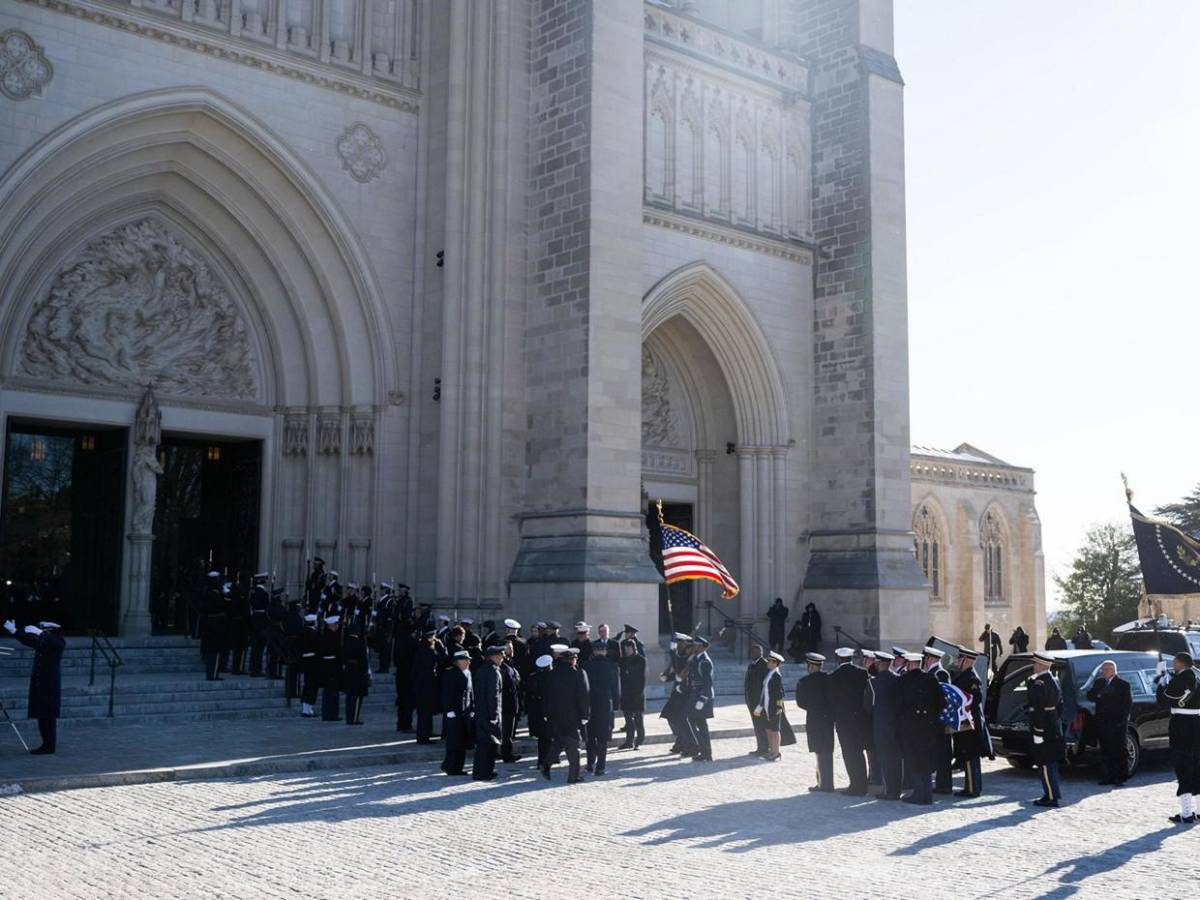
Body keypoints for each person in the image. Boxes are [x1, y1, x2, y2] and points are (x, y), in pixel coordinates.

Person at [3, 618, 65, 754]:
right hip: (40, 684)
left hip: (50, 685)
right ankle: (46, 745)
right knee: (42, 715)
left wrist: (40, 633)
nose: (41, 632)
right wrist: (14, 631)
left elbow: (57, 645)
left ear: (50, 631)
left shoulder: (58, 641)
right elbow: (29, 641)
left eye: (44, 630)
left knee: (48, 717)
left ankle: (49, 746)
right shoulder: (45, 642)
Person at [1155, 651, 1200, 823]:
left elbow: (1164, 700)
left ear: (1181, 663)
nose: (1173, 665)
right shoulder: (1197, 674)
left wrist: (1160, 679)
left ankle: (1187, 813)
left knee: (1183, 766)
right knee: (1197, 765)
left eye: (1174, 662)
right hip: (1197, 722)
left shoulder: (1181, 679)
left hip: (1182, 724)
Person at [896, 651, 942, 805]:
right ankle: (927, 794)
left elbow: (898, 705)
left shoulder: (904, 680)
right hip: (928, 726)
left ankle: (918, 793)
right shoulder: (931, 679)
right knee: (926, 759)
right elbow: (942, 703)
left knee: (914, 759)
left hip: (910, 727)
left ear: (909, 664)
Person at [541, 646, 590, 783]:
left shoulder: (553, 673)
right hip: (572, 716)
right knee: (574, 746)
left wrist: (547, 714)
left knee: (560, 742)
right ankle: (573, 776)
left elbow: (547, 696)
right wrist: (585, 715)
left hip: (555, 716)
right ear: (572, 660)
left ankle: (545, 764)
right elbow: (583, 696)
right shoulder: (579, 673)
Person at [1026, 651, 1065, 807]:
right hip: (1053, 725)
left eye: (1036, 663)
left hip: (1043, 727)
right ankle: (1052, 793)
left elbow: (1038, 709)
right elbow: (1059, 706)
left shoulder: (1039, 683)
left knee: (1045, 764)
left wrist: (1038, 730)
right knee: (1050, 763)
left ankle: (1050, 796)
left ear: (1042, 665)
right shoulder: (1054, 679)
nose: (1034, 666)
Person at [829, 647, 870, 795]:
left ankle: (855, 786)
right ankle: (863, 784)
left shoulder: (833, 676)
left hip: (844, 721)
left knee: (849, 753)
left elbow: (831, 701)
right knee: (859, 752)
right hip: (860, 719)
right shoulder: (862, 673)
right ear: (851, 658)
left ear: (839, 659)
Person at [1087, 658, 1132, 786]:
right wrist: (1099, 694)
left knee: (1119, 749)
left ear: (1113, 670)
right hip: (1103, 721)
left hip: (1117, 722)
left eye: (1106, 669)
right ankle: (1108, 776)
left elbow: (1127, 704)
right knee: (1106, 750)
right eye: (1103, 669)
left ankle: (1121, 776)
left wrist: (1122, 721)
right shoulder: (1099, 683)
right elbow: (1090, 695)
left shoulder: (1123, 684)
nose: (1104, 671)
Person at [864, 649, 902, 800]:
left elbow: (869, 706)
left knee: (885, 758)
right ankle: (897, 789)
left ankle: (889, 791)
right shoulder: (899, 679)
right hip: (897, 724)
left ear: (879, 664)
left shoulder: (873, 682)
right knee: (897, 758)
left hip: (881, 724)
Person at [952, 647, 990, 797]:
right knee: (967, 755)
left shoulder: (971, 678)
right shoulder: (964, 676)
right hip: (966, 723)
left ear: (966, 660)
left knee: (970, 755)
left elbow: (975, 700)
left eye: (959, 658)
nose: (956, 661)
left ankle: (973, 789)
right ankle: (971, 787)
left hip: (970, 723)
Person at [795, 652, 835, 791]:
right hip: (828, 719)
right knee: (828, 750)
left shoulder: (804, 682)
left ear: (811, 666)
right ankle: (827, 782)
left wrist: (813, 708)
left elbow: (800, 703)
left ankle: (823, 784)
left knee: (819, 750)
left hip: (814, 718)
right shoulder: (830, 679)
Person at [583, 638, 621, 775]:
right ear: (604, 651)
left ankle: (589, 764)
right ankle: (601, 767)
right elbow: (616, 688)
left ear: (594, 651)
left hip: (590, 704)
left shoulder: (587, 665)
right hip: (605, 704)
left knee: (591, 736)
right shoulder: (612, 666)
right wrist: (616, 705)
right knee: (603, 738)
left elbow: (583, 688)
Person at [472, 644, 505, 781]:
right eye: (501, 655)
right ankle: (485, 772)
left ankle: (481, 771)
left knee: (483, 745)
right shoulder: (493, 671)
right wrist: (494, 715)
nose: (502, 658)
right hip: (489, 714)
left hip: (481, 712)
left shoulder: (482, 670)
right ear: (494, 657)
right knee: (489, 745)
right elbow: (493, 696)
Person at [756, 651, 794, 761]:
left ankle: (776, 752)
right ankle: (771, 750)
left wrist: (778, 707)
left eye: (770, 661)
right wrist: (761, 705)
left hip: (774, 707)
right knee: (768, 729)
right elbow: (765, 691)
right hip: (767, 706)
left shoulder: (776, 675)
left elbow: (780, 693)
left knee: (775, 730)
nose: (768, 662)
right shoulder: (770, 673)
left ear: (775, 663)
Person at [440, 650, 473, 776]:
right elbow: (447, 693)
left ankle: (457, 766)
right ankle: (450, 766)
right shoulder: (450, 673)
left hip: (465, 712)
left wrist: (472, 709)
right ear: (458, 661)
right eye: (466, 659)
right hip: (454, 713)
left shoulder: (468, 673)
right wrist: (449, 710)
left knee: (462, 741)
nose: (468, 662)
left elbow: (470, 693)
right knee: (454, 741)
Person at [660, 634, 694, 756]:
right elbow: (676, 670)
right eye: (677, 643)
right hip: (676, 692)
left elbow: (683, 674)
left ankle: (686, 743)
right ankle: (680, 740)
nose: (678, 646)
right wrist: (667, 677)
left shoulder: (689, 658)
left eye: (680, 643)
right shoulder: (680, 657)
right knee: (670, 716)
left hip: (685, 693)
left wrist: (673, 650)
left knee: (679, 719)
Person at [684, 635, 715, 762]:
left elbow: (708, 683)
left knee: (701, 725)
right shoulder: (696, 659)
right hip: (695, 695)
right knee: (694, 722)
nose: (694, 647)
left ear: (702, 647)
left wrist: (702, 699)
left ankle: (706, 753)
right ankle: (704, 751)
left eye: (696, 645)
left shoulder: (704, 661)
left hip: (702, 697)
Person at [412, 627, 444, 743]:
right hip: (426, 685)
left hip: (421, 684)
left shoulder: (421, 649)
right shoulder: (429, 651)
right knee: (425, 712)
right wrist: (440, 646)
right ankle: (423, 736)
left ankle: (425, 733)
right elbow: (442, 658)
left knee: (425, 712)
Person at [341, 615, 371, 725]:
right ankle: (354, 718)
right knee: (357, 698)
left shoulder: (346, 641)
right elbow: (363, 659)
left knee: (350, 698)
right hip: (358, 673)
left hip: (349, 671)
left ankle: (350, 717)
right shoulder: (359, 643)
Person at [617, 639, 646, 750]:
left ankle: (639, 741)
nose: (627, 651)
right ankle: (629, 741)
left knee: (638, 719)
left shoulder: (641, 660)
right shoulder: (623, 660)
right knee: (628, 720)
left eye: (629, 649)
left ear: (634, 648)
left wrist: (638, 694)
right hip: (626, 694)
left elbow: (642, 679)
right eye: (625, 649)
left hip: (637, 694)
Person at [499, 640, 523, 763]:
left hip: (512, 703)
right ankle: (506, 755)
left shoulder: (510, 663)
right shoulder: (502, 667)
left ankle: (506, 753)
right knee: (506, 732)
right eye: (509, 648)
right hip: (506, 704)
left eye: (512, 647)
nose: (511, 650)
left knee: (508, 732)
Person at [744, 644, 770, 757]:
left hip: (759, 702)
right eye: (752, 652)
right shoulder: (752, 664)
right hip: (752, 701)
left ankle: (765, 747)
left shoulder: (764, 665)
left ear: (761, 653)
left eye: (755, 652)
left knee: (762, 725)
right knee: (757, 725)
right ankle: (760, 746)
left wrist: (761, 703)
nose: (752, 654)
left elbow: (765, 686)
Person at [200, 571, 226, 681]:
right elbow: (221, 605)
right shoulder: (214, 593)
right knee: (214, 651)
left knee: (212, 650)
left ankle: (212, 673)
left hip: (209, 624)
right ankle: (213, 674)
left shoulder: (208, 592)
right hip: (215, 625)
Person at [527, 654, 552, 767]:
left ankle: (542, 760)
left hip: (536, 712)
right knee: (548, 737)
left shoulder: (533, 677)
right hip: (549, 710)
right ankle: (547, 760)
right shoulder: (551, 677)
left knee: (542, 738)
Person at [318, 615, 343, 721]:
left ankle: (327, 714)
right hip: (332, 666)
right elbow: (336, 651)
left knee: (328, 691)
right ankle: (332, 714)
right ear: (332, 625)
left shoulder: (325, 635)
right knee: (332, 692)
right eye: (336, 624)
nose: (337, 626)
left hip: (326, 666)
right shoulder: (331, 636)